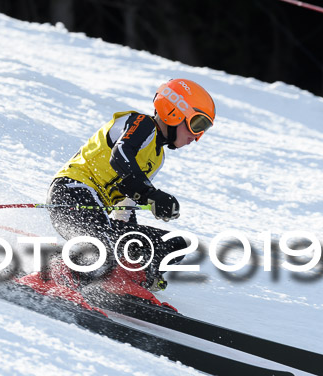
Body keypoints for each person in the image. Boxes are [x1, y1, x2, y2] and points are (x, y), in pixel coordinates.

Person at [43, 78, 216, 301]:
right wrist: (151, 194)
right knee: (102, 247)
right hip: (71, 193)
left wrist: (136, 256)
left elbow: (124, 207)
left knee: (175, 245)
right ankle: (53, 276)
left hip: (98, 214)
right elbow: (120, 156)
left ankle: (121, 283)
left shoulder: (156, 157)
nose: (197, 136)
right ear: (174, 111)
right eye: (198, 124)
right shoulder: (140, 124)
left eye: (204, 129)